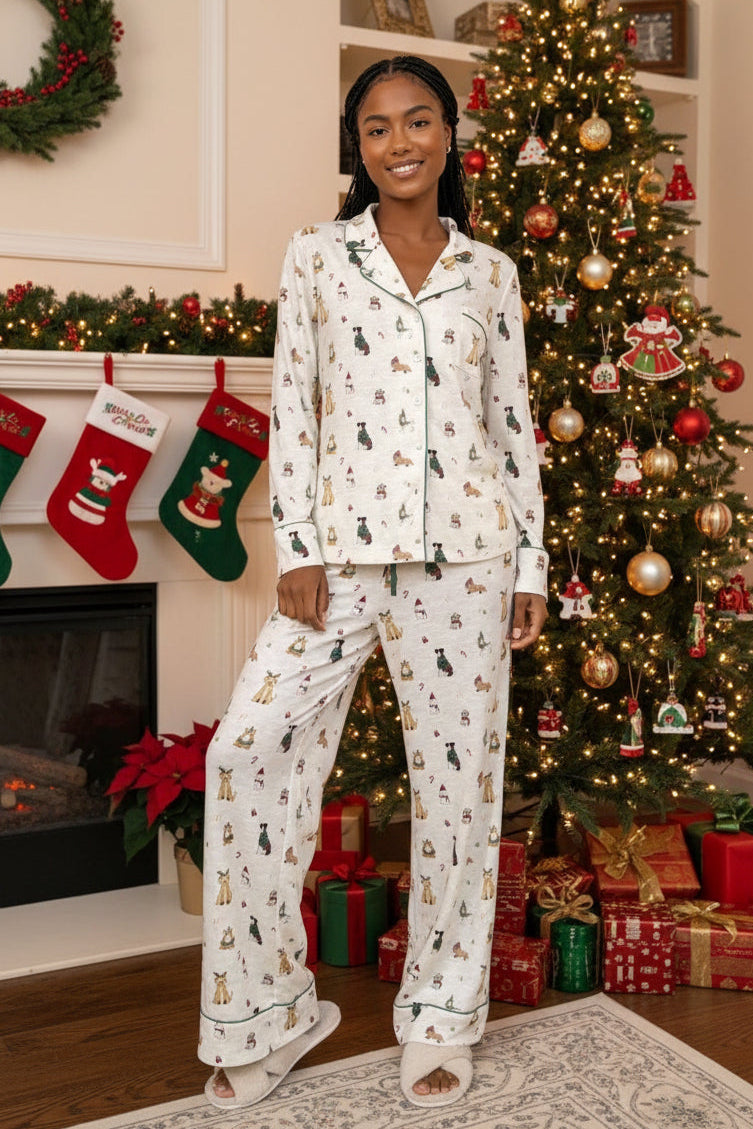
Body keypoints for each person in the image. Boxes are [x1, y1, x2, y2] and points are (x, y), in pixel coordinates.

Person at [199, 54, 548, 1111]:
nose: (400, 142)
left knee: (457, 796)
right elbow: (292, 407)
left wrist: (528, 561)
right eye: (379, 128)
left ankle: (442, 1014)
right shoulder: (318, 258)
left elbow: (511, 427)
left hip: (469, 560)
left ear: (450, 133)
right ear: (357, 148)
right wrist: (293, 546)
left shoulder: (489, 273)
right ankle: (268, 1010)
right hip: (340, 556)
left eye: (420, 120)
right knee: (249, 751)